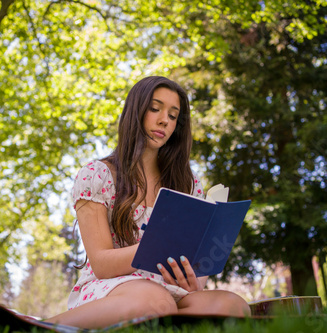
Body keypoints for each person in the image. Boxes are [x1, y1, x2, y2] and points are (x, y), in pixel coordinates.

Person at [46, 76, 250, 329]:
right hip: (112, 289)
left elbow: (198, 272)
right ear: (136, 112)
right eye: (155, 109)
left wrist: (193, 279)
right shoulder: (98, 175)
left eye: (173, 116)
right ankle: (40, 327)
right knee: (156, 302)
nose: (164, 119)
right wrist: (158, 246)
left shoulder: (189, 184)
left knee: (232, 306)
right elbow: (101, 264)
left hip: (169, 291)